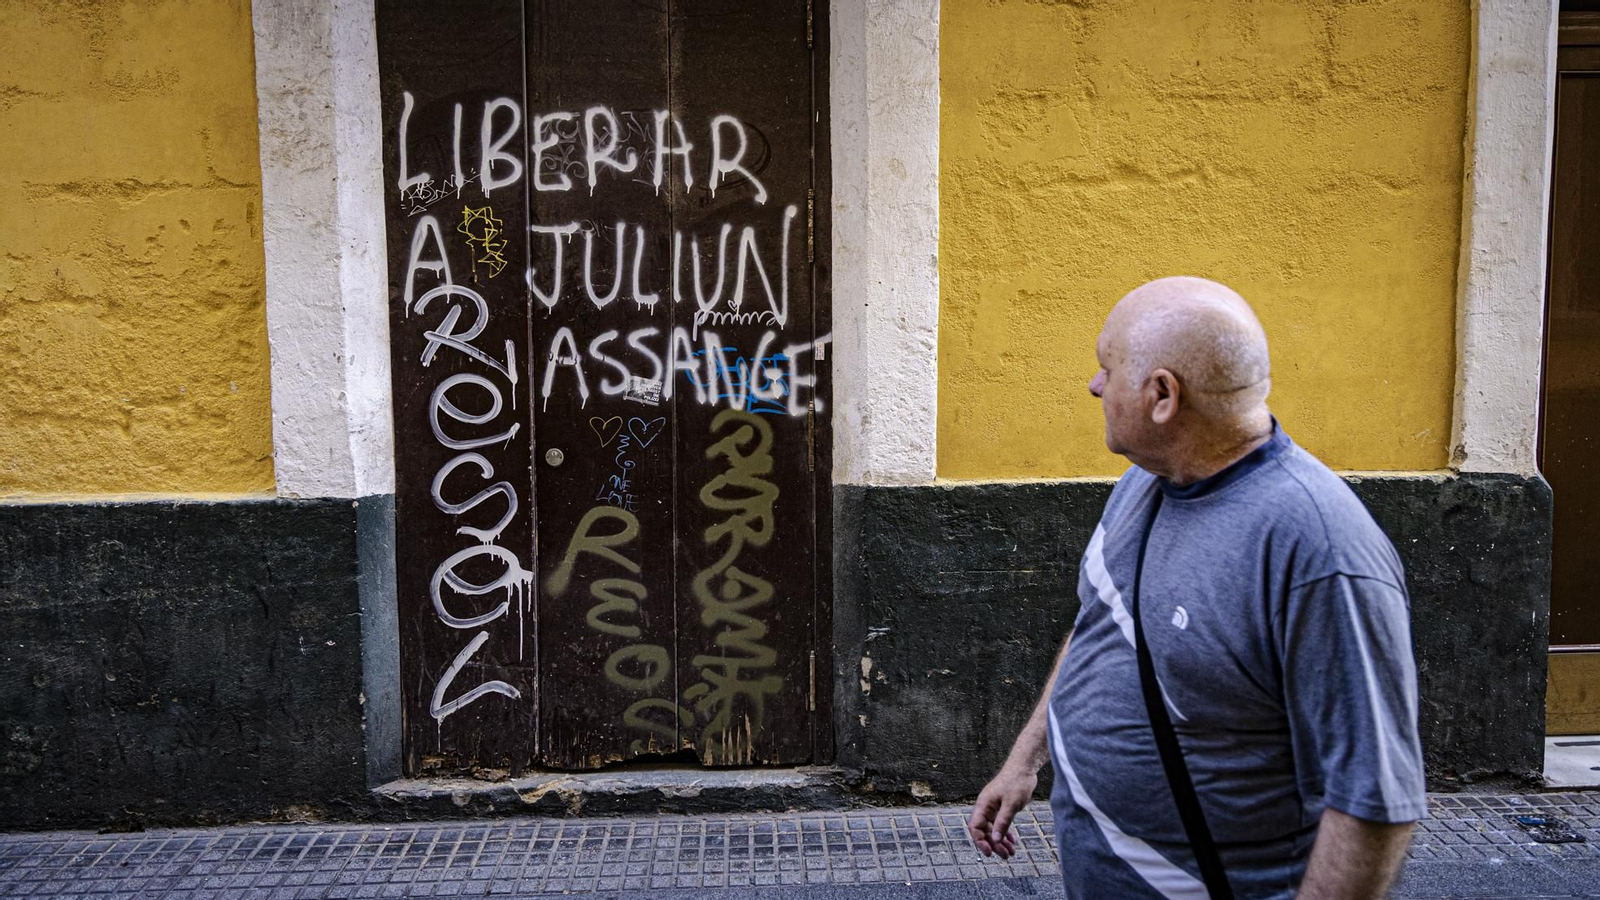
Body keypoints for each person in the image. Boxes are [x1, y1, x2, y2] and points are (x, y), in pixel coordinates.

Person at [967, 277, 1425, 899]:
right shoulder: (1148, 481)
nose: (1094, 385)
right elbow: (1104, 620)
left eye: (1107, 367)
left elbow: (1374, 801)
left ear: (1162, 395)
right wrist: (1026, 760)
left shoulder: (1320, 549)